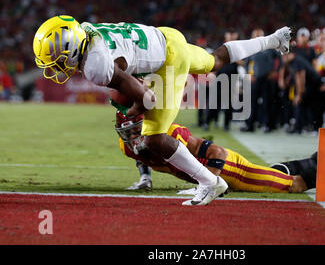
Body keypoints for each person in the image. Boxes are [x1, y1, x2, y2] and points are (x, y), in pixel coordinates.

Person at [33, 15, 291, 205]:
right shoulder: (87, 30)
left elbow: (148, 98)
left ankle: (209, 182)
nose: (55, 68)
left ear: (71, 48)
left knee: (154, 138)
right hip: (166, 36)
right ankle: (273, 39)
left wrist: (133, 109)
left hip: (167, 61)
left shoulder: (95, 66)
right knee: (216, 60)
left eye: (56, 60)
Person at [114, 111, 325, 196]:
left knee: (293, 185)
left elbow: (216, 150)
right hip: (211, 175)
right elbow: (141, 156)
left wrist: (211, 182)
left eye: (137, 131)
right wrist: (145, 176)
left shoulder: (171, 133)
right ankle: (311, 162)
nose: (133, 139)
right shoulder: (126, 146)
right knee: (273, 173)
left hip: (230, 169)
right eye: (128, 133)